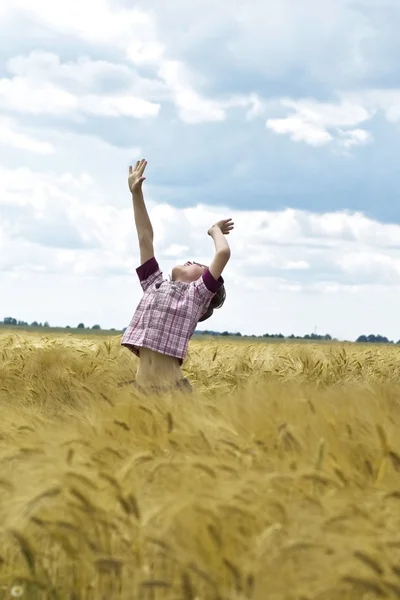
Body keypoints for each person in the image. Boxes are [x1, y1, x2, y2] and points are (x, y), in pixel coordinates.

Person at [121, 159, 234, 394]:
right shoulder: (154, 284)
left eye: (199, 264)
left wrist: (214, 230)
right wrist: (136, 193)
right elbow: (144, 237)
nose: (190, 261)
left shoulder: (196, 296)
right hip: (140, 391)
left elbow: (223, 252)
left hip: (172, 391)